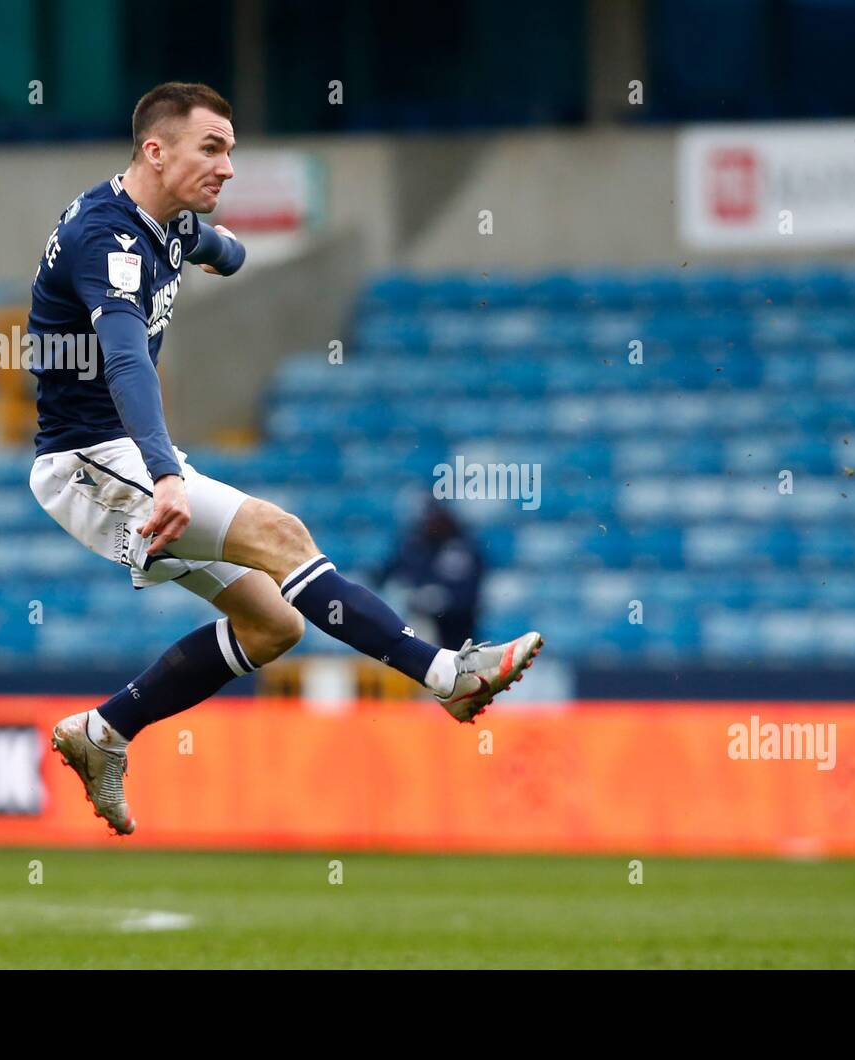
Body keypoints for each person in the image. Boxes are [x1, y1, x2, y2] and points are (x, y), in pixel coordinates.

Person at [26, 82, 541, 836]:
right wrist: (166, 473)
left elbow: (213, 247)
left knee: (272, 626)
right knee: (283, 534)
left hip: (122, 461)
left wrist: (224, 253)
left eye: (231, 150)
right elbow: (126, 361)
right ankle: (447, 676)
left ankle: (103, 733)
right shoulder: (108, 238)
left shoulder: (164, 220)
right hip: (91, 462)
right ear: (155, 150)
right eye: (213, 147)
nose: (228, 165)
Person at [378, 501, 484, 650]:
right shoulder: (413, 545)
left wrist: (441, 600)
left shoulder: (463, 548)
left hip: (455, 630)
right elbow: (385, 577)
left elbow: (470, 597)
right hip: (415, 619)